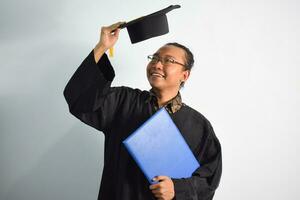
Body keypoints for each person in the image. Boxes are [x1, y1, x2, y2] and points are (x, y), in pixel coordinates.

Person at [64, 22, 222, 200]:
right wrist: (102, 47)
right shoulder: (122, 101)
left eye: (168, 60)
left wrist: (177, 188)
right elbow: (81, 102)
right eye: (154, 58)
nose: (157, 64)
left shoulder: (199, 126)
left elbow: (209, 179)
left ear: (184, 75)